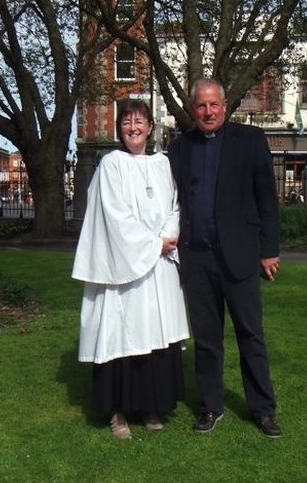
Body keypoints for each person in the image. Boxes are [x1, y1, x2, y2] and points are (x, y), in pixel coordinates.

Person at [167, 78, 282, 438]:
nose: (208, 112)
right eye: (200, 106)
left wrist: (269, 249)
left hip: (241, 256)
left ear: (225, 104)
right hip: (197, 259)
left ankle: (263, 410)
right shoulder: (179, 148)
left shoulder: (250, 140)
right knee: (206, 340)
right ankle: (210, 406)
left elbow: (267, 198)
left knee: (251, 336)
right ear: (192, 110)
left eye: (213, 104)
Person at [72, 100, 189, 440]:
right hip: (124, 269)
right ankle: (118, 411)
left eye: (139, 121)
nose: (133, 127)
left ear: (151, 127)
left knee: (155, 337)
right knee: (122, 337)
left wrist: (168, 236)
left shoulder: (164, 165)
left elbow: (176, 205)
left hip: (159, 269)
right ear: (119, 128)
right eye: (126, 121)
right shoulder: (111, 165)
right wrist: (152, 244)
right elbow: (113, 217)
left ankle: (151, 405)